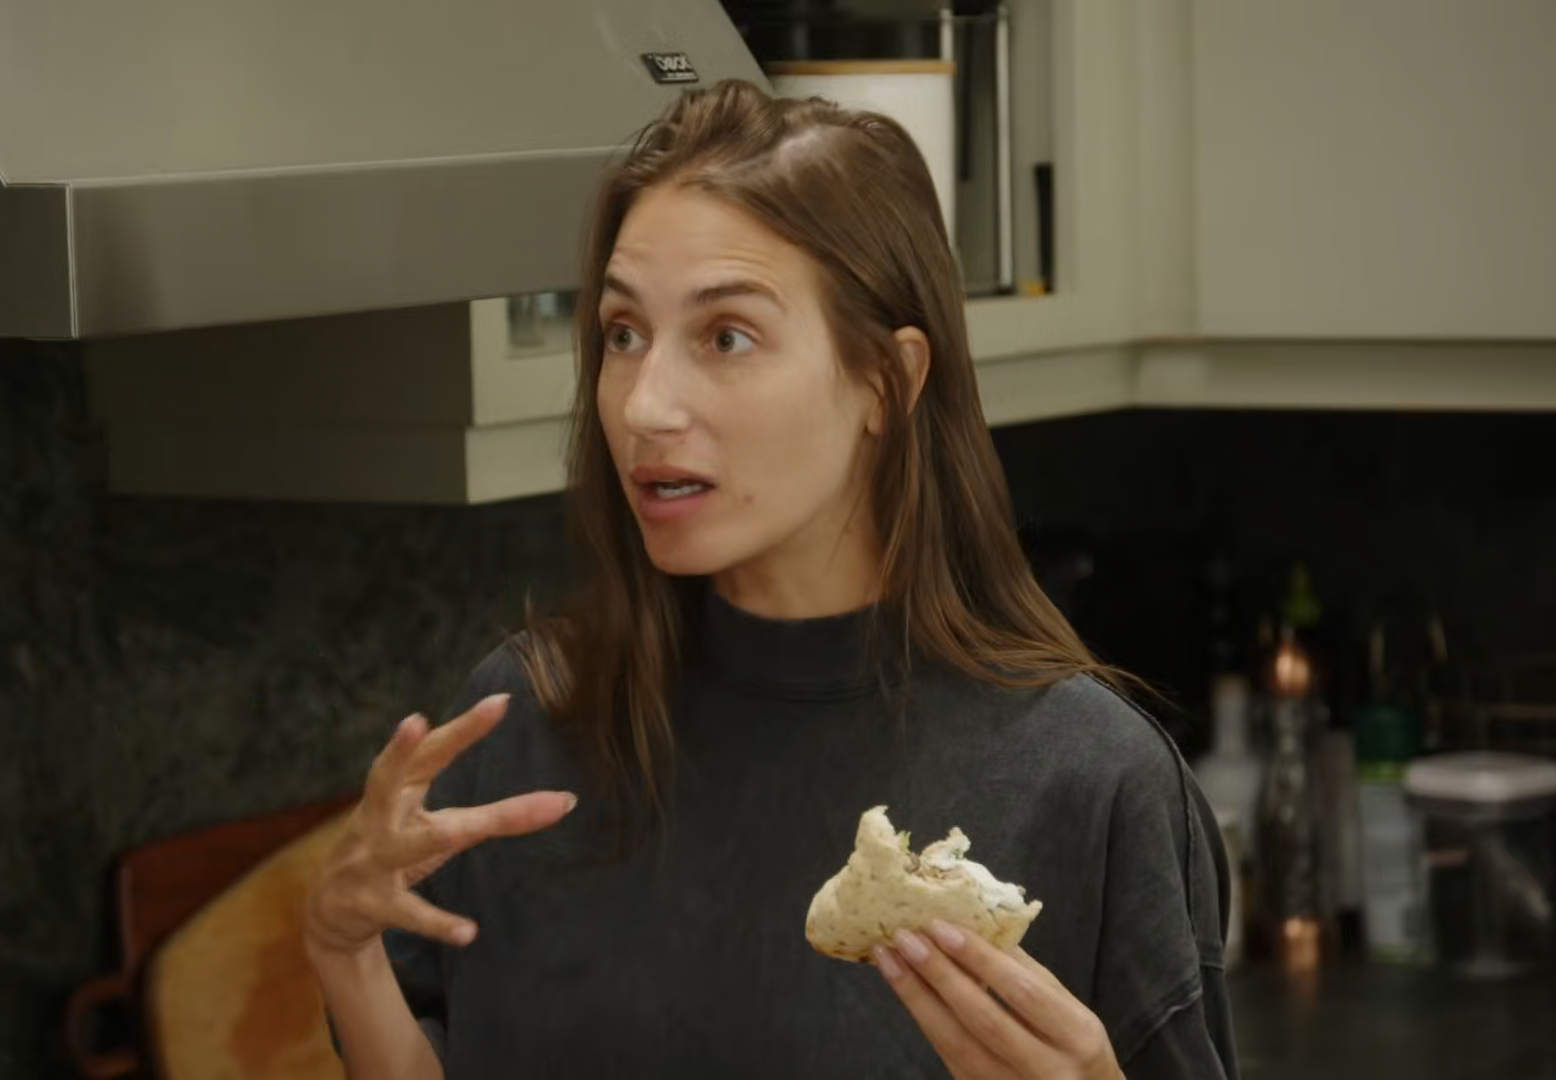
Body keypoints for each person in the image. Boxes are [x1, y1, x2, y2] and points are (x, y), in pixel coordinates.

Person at [303, 79, 1237, 1080]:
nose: (645, 405)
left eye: (727, 337)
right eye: (623, 333)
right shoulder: (522, 724)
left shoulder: (1090, 782)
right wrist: (343, 953)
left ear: (888, 381)